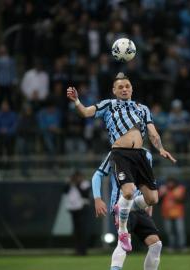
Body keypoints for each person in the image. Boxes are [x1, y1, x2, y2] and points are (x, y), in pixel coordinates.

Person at [67, 72, 176, 251]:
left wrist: (161, 148)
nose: (124, 89)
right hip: (120, 153)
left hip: (139, 155)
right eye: (120, 87)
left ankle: (121, 209)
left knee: (152, 198)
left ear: (132, 89)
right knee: (128, 191)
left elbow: (152, 132)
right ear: (114, 91)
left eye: (127, 86)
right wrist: (77, 101)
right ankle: (123, 230)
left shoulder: (142, 108)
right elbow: (86, 113)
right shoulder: (108, 105)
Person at [92, 148, 162, 270]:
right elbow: (98, 175)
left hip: (139, 207)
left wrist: (149, 204)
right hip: (122, 204)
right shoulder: (115, 153)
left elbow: (149, 181)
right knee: (123, 243)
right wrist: (97, 199)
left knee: (156, 244)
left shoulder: (147, 154)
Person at [64, 171, 91, 256]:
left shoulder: (85, 183)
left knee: (82, 230)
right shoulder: (71, 184)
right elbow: (64, 191)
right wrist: (69, 182)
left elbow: (85, 195)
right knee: (76, 231)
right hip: (73, 209)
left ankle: (83, 250)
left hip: (82, 208)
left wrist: (77, 184)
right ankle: (77, 250)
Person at [159, 177, 186, 251]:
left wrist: (175, 194)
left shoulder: (180, 189)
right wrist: (162, 194)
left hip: (178, 213)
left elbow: (182, 200)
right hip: (167, 214)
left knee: (180, 231)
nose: (170, 184)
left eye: (172, 182)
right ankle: (172, 246)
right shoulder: (163, 189)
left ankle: (182, 246)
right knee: (169, 231)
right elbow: (158, 201)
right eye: (169, 182)